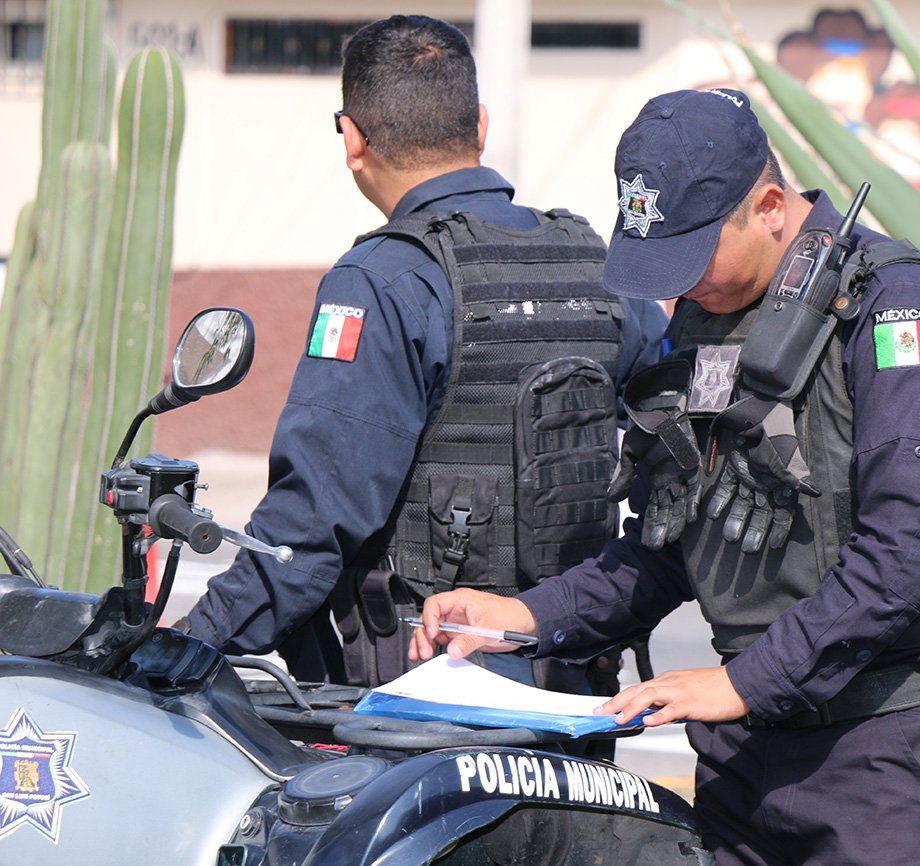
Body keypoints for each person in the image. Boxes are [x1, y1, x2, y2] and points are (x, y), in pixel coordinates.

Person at [411, 87, 920, 865]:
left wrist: (743, 685)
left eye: (695, 257)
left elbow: (910, 555)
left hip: (884, 759)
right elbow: (677, 536)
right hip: (742, 754)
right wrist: (522, 615)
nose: (679, 285)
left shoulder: (902, 309)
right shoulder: (710, 321)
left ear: (768, 206)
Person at [176, 15, 666, 697]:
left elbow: (314, 520)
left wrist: (186, 649)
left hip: (420, 692)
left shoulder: (380, 279)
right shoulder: (596, 265)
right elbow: (673, 461)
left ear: (352, 138)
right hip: (574, 683)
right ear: (481, 126)